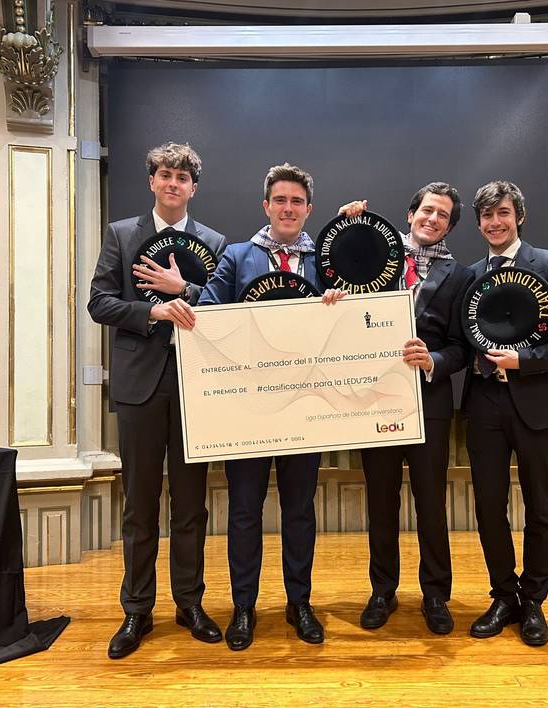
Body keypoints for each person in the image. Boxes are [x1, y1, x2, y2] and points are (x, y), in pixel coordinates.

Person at [169, 163, 344, 651]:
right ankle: (243, 607)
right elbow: (207, 316)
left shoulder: (323, 265)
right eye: (279, 200)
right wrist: (183, 296)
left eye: (297, 202)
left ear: (309, 210)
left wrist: (339, 303)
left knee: (299, 511)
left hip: (305, 407)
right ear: (266, 205)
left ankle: (299, 604)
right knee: (244, 511)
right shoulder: (237, 255)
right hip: (246, 408)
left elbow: (350, 320)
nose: (288, 209)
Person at [88, 143, 227, 659]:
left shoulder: (214, 242)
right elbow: (99, 302)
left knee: (192, 505)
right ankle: (137, 610)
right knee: (140, 505)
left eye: (183, 177)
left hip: (197, 387)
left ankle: (190, 603)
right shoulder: (122, 235)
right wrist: (154, 313)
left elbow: (224, 311)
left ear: (194, 187)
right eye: (165, 175)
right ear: (152, 181)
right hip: (139, 387)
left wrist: (185, 292)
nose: (173, 183)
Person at [462, 180, 548, 647]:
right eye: (486, 216)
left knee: (540, 505)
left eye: (502, 213)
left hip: (538, 401)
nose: (494, 223)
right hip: (484, 404)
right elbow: (463, 340)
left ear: (518, 215)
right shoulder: (472, 273)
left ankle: (534, 600)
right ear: (478, 223)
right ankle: (504, 596)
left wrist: (525, 361)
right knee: (488, 506)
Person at [337, 184, 474, 635]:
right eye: (427, 210)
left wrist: (434, 361)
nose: (433, 219)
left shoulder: (460, 275)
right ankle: (383, 591)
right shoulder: (379, 253)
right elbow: (337, 265)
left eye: (443, 216)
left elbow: (461, 347)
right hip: (373, 399)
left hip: (429, 402)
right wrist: (349, 223)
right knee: (381, 501)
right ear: (411, 213)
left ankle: (435, 594)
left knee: (431, 501)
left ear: (450, 226)